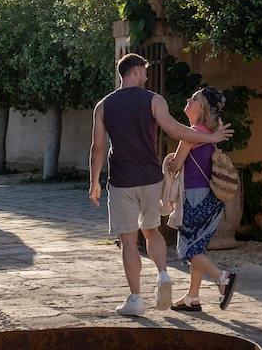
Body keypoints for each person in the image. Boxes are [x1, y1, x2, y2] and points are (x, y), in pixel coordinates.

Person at [89, 54, 233, 316]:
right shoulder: (154, 100)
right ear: (133, 71)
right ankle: (163, 275)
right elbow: (176, 130)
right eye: (144, 71)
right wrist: (211, 136)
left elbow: (97, 148)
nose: (146, 76)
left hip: (122, 180)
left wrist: (94, 182)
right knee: (152, 230)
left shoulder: (103, 106)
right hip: (151, 178)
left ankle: (135, 299)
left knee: (129, 240)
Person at [164, 86, 238, 312]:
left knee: (186, 250)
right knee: (197, 247)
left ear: (202, 107)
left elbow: (176, 165)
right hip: (212, 199)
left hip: (195, 197)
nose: (188, 99)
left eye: (194, 98)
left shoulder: (192, 132)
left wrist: (168, 161)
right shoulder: (207, 132)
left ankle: (222, 278)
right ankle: (192, 297)